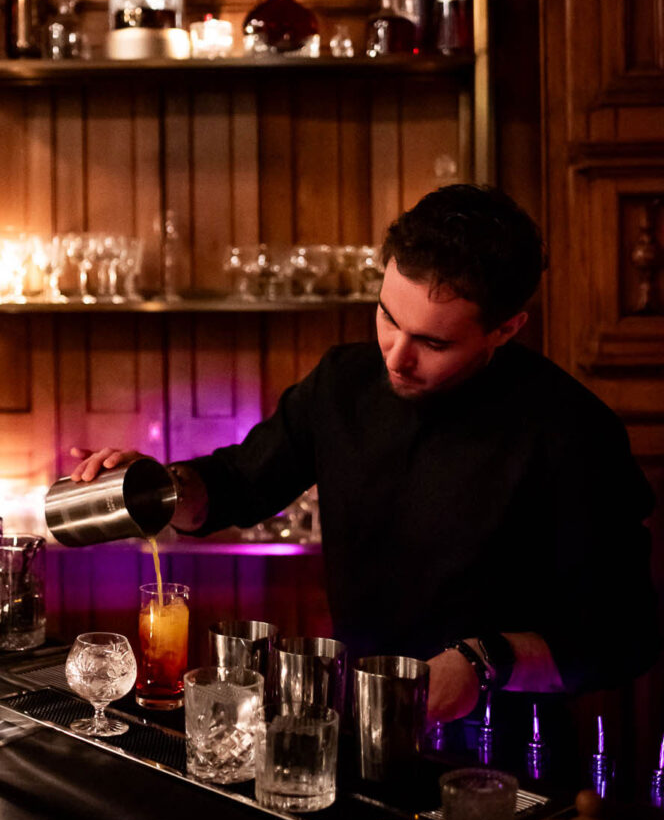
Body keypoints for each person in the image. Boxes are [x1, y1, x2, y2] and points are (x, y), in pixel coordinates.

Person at [71, 185, 660, 727]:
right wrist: (157, 485)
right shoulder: (343, 382)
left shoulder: (572, 430)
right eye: (387, 316)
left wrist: (485, 663)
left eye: (432, 342)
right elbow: (235, 485)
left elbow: (624, 637)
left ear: (506, 329)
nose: (395, 357)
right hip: (360, 717)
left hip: (508, 740)